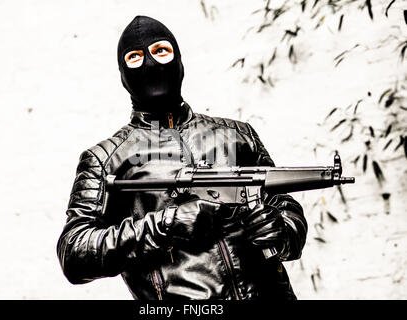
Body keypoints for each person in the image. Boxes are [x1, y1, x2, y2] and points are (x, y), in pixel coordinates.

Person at [56, 15, 307, 300]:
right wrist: (165, 224)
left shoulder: (237, 134)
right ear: (123, 73)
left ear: (179, 59)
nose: (151, 64)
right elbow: (75, 253)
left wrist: (280, 229)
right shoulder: (106, 159)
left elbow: (285, 207)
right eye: (136, 57)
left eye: (161, 51)